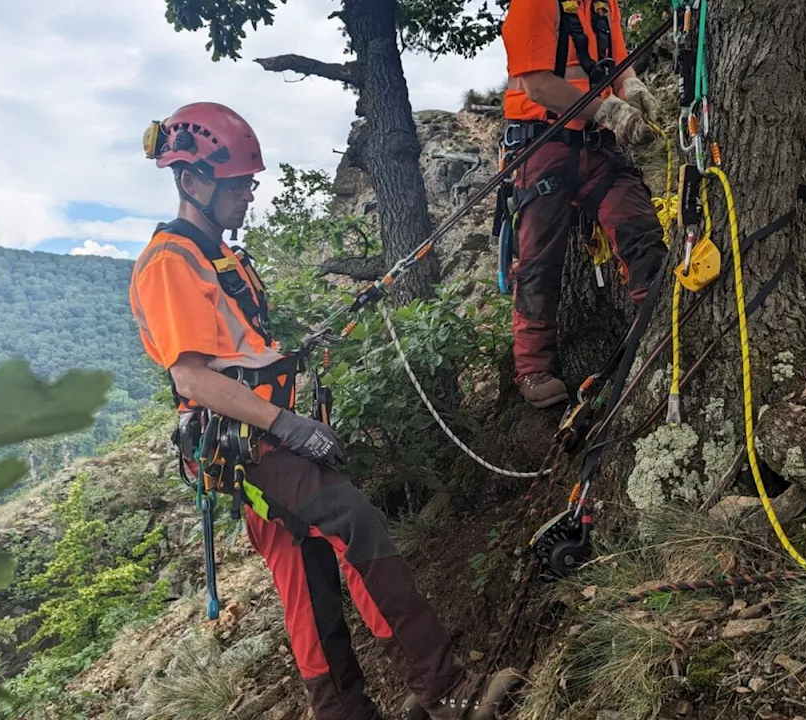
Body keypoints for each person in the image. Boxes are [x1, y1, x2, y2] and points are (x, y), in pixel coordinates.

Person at [128, 101, 520, 720]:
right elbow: (194, 378)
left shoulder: (216, 255)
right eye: (237, 186)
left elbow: (237, 353)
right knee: (352, 521)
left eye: (250, 184)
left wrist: (285, 371)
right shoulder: (171, 265)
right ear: (190, 181)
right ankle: (447, 692)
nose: (247, 195)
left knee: (307, 581)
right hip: (251, 447)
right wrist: (286, 425)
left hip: (258, 441)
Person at [500, 0, 670, 408]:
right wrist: (608, 109)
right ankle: (533, 368)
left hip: (596, 144)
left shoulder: (603, 3)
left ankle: (661, 322)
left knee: (640, 228)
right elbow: (539, 85)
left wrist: (631, 86)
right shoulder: (533, 3)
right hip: (542, 143)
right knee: (539, 260)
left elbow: (617, 62)